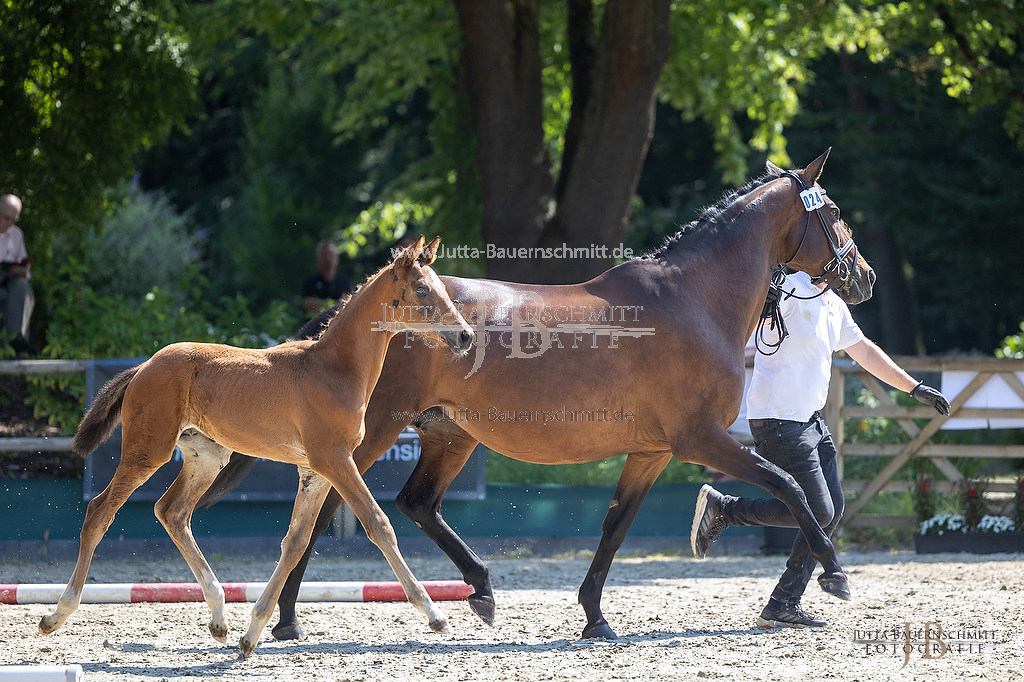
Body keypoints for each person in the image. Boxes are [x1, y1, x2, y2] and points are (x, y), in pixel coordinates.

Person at [690, 269, 950, 629]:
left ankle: (782, 601)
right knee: (819, 511)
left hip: (811, 420)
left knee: (833, 509)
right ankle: (728, 511)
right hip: (778, 418)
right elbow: (752, 304)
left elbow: (865, 352)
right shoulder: (790, 288)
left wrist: (913, 387)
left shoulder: (834, 304)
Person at [0, 194, 34, 359]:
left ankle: (17, 343)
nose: (10, 223)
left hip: (10, 280)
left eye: (14, 219)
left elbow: (27, 270)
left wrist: (22, 271)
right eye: (7, 218)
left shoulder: (17, 234)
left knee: (23, 288)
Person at [300, 240, 353, 315]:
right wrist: (337, 304)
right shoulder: (310, 282)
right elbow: (308, 305)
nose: (328, 258)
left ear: (337, 258)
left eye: (330, 254)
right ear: (317, 258)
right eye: (324, 255)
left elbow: (349, 306)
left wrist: (319, 303)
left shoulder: (345, 282)